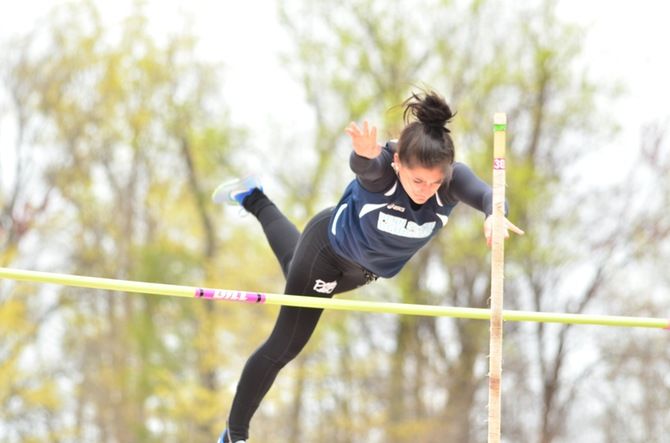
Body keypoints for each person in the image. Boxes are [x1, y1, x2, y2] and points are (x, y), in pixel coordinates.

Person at [212, 90, 523, 443]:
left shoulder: (451, 183)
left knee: (290, 265)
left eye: (434, 181)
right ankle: (234, 436)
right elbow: (367, 166)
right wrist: (365, 154)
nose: (426, 190)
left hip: (363, 272)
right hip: (326, 253)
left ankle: (254, 197)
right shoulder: (382, 173)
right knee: (286, 343)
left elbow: (489, 194)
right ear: (398, 165)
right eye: (417, 180)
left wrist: (495, 215)